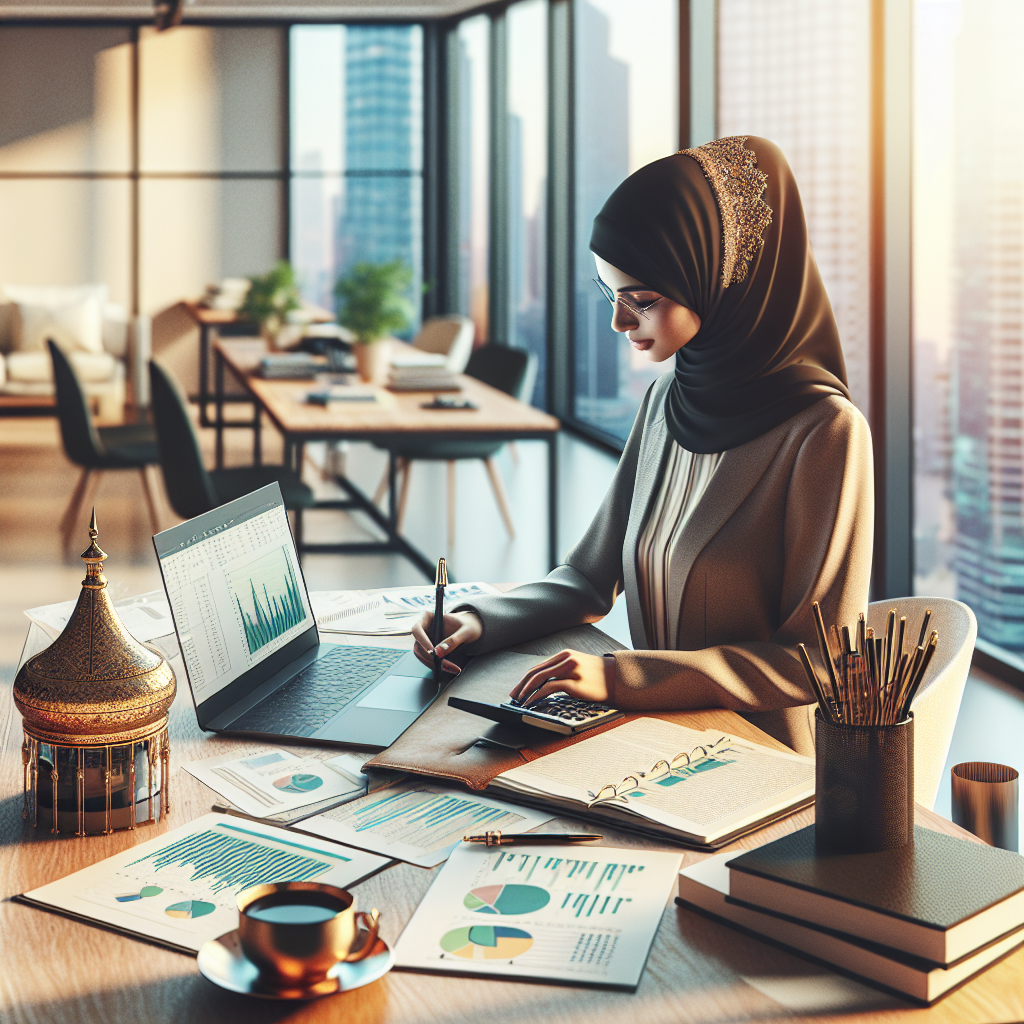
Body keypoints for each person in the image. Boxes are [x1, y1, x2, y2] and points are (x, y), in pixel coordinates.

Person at [412, 136, 873, 756]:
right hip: (643, 734)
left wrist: (620, 677)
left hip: (749, 756)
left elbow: (816, 661)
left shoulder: (824, 434)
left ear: (723, 281)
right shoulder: (666, 401)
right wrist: (479, 621)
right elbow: (586, 578)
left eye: (642, 301)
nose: (620, 323)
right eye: (613, 296)